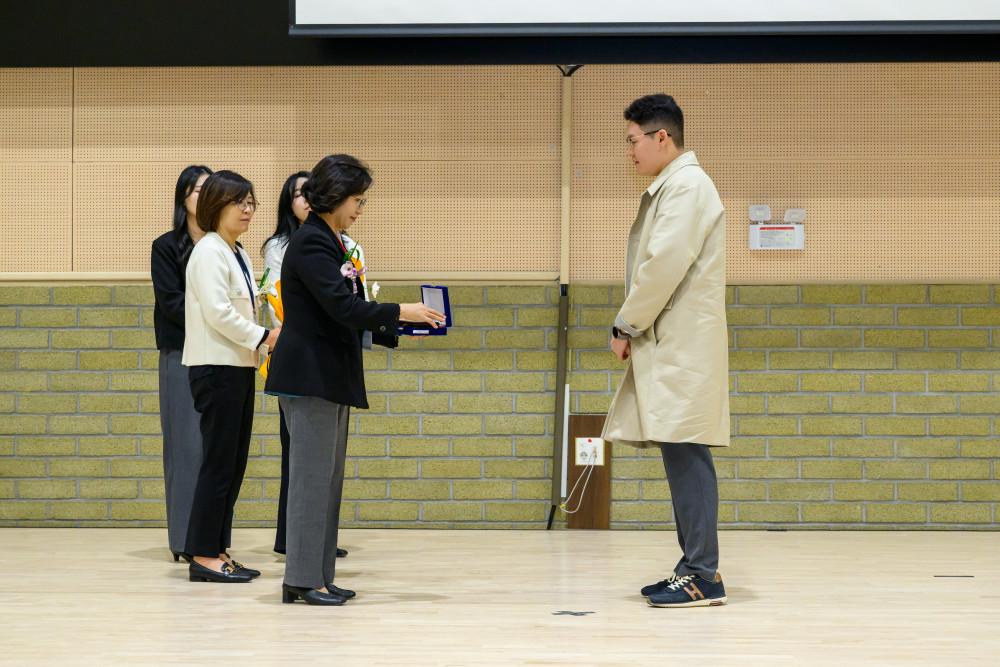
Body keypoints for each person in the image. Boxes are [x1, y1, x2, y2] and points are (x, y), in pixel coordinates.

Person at [264, 155, 444, 605]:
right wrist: (401, 311)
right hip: (309, 378)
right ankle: (302, 580)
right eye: (357, 200)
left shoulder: (330, 240)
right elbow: (341, 307)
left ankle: (319, 576)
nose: (360, 209)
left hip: (327, 376)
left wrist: (403, 324)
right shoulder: (311, 242)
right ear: (335, 196)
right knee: (311, 482)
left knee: (327, 482)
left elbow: (343, 311)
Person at [601, 94, 730, 608]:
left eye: (633, 140)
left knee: (687, 451)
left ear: (662, 137)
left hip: (680, 347)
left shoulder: (687, 186)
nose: (628, 151)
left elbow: (662, 264)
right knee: (681, 451)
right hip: (674, 344)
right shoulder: (677, 186)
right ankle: (693, 566)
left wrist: (625, 323)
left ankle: (703, 574)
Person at [182, 170, 280, 583]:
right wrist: (266, 336)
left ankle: (218, 549)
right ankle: (204, 554)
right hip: (216, 368)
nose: (247, 209)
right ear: (214, 206)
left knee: (233, 464)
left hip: (238, 367)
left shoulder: (236, 251)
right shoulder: (208, 251)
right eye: (238, 202)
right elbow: (219, 313)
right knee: (219, 465)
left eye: (251, 202)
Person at [151, 165, 212, 563]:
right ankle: (184, 541)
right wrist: (217, 317)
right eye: (197, 190)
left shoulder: (224, 245)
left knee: (213, 452)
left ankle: (209, 540)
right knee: (185, 449)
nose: (203, 197)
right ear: (183, 198)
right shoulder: (166, 246)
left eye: (210, 190)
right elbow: (171, 303)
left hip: (219, 356)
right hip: (181, 352)